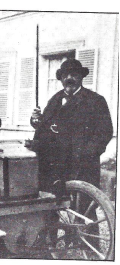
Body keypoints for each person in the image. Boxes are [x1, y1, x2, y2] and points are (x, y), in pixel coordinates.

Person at [30, 59, 113, 247]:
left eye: (74, 74)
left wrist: (87, 153)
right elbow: (44, 127)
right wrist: (36, 121)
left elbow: (105, 131)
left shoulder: (95, 100)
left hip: (82, 163)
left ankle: (89, 246)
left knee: (84, 206)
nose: (69, 78)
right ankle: (48, 243)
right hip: (54, 163)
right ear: (60, 78)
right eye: (65, 75)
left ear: (81, 77)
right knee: (50, 203)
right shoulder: (56, 99)